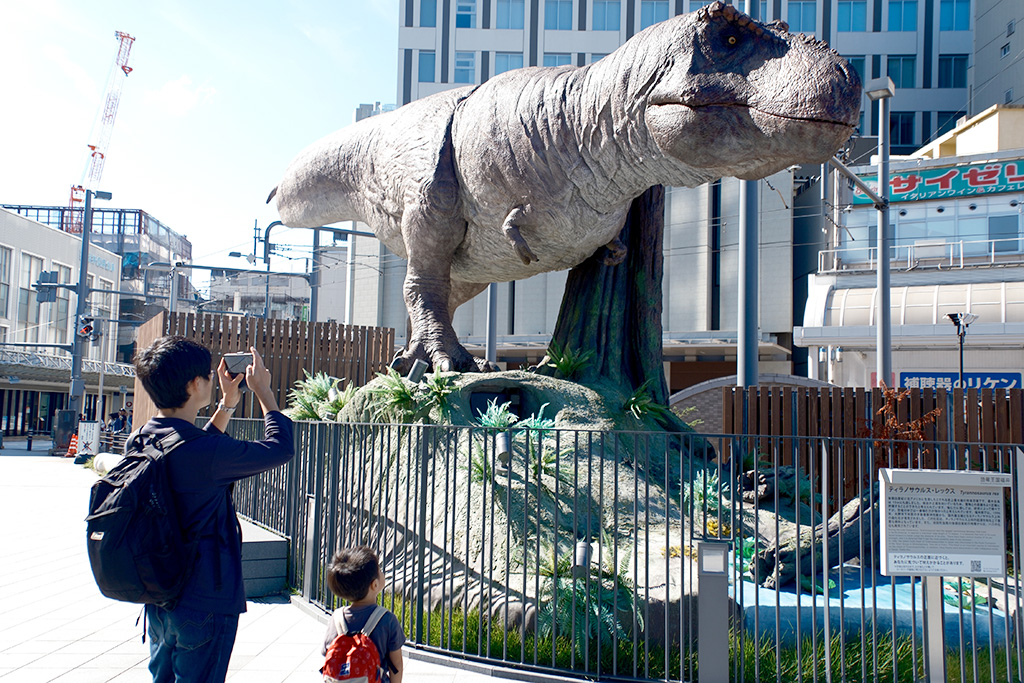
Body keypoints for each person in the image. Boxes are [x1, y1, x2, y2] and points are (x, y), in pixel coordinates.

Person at [132, 336, 294, 683]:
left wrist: (227, 403)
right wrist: (264, 391)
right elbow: (280, 448)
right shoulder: (205, 454)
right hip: (205, 596)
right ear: (194, 384)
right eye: (206, 374)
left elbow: (190, 448)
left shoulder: (142, 439)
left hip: (159, 593)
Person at [322, 546, 405, 683]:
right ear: (375, 584)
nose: (381, 571)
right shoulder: (387, 620)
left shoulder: (336, 619)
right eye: (379, 570)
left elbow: (327, 655)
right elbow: (396, 666)